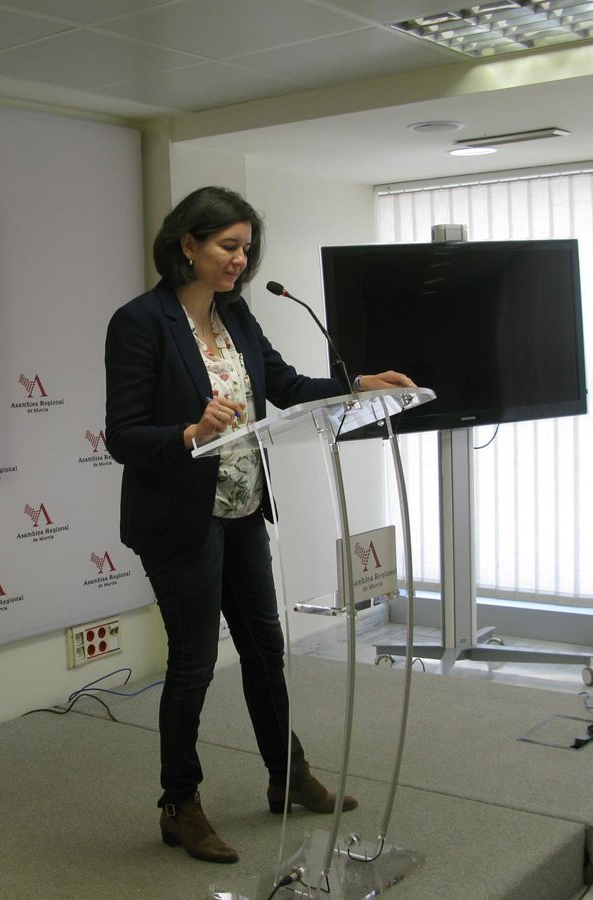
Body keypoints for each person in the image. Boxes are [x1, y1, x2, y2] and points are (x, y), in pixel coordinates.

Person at [103, 186, 414, 864]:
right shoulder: (141, 322)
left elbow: (289, 387)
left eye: (246, 247)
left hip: (242, 509)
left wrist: (358, 386)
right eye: (228, 246)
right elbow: (121, 436)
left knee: (266, 650)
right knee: (193, 663)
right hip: (178, 520)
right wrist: (187, 432)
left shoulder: (237, 315)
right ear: (187, 245)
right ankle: (179, 805)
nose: (240, 259)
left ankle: (287, 776)